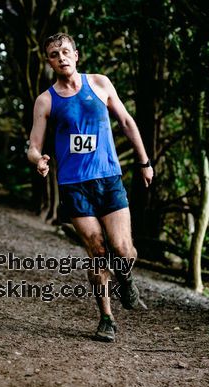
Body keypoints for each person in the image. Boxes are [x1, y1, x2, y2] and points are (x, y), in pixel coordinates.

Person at [26, 33, 154, 342]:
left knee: (123, 250)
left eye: (66, 51)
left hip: (109, 179)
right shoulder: (46, 100)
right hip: (74, 185)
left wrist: (144, 162)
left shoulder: (100, 83)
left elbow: (126, 121)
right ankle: (106, 318)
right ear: (49, 61)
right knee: (97, 250)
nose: (61, 57)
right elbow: (33, 145)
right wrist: (38, 161)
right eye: (55, 54)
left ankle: (125, 278)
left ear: (76, 55)